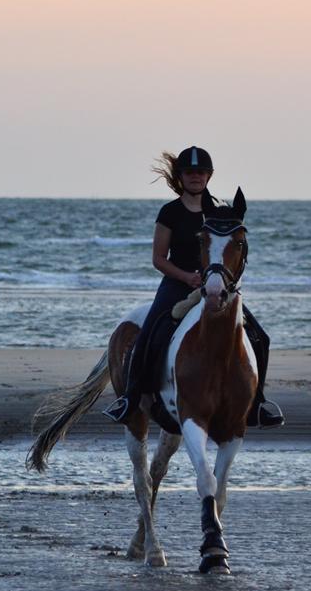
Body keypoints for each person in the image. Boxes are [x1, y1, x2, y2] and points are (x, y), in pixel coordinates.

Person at [103, 145, 284, 429]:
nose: (196, 177)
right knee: (149, 332)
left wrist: (226, 280)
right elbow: (158, 259)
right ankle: (131, 397)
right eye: (190, 172)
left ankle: (257, 403)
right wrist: (186, 277)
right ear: (181, 176)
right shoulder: (170, 212)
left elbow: (233, 251)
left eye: (201, 172)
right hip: (177, 284)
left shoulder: (221, 210)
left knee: (260, 336)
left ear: (209, 176)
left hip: (217, 286)